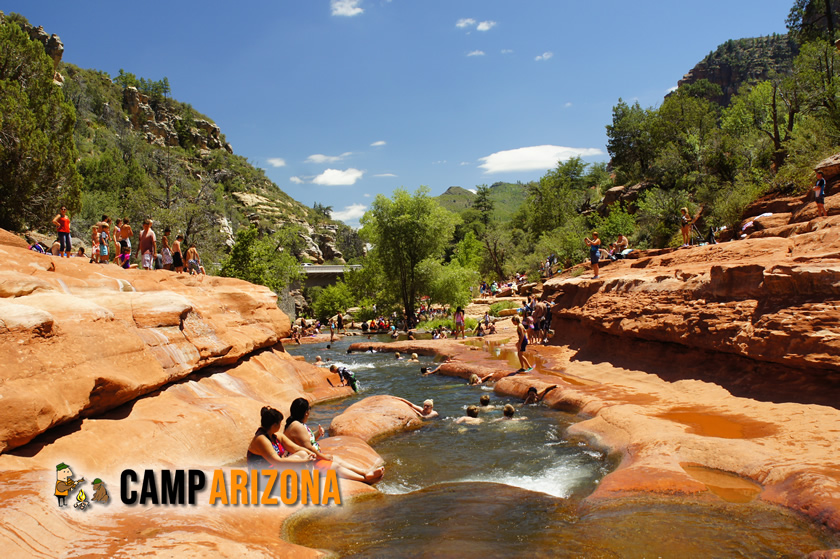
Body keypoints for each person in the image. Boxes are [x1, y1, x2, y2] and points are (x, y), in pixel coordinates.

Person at [284, 398, 385, 483]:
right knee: (335, 466)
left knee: (336, 458)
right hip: (303, 463)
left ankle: (365, 472)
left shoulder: (296, 424)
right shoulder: (297, 426)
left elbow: (305, 442)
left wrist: (317, 434)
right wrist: (324, 457)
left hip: (309, 459)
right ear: (306, 413)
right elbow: (308, 448)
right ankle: (365, 479)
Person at [247, 406, 317, 469]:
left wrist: (310, 453)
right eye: (280, 423)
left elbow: (296, 448)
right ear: (275, 425)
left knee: (303, 453)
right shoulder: (261, 439)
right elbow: (278, 462)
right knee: (302, 461)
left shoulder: (276, 436)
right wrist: (304, 461)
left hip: (274, 470)